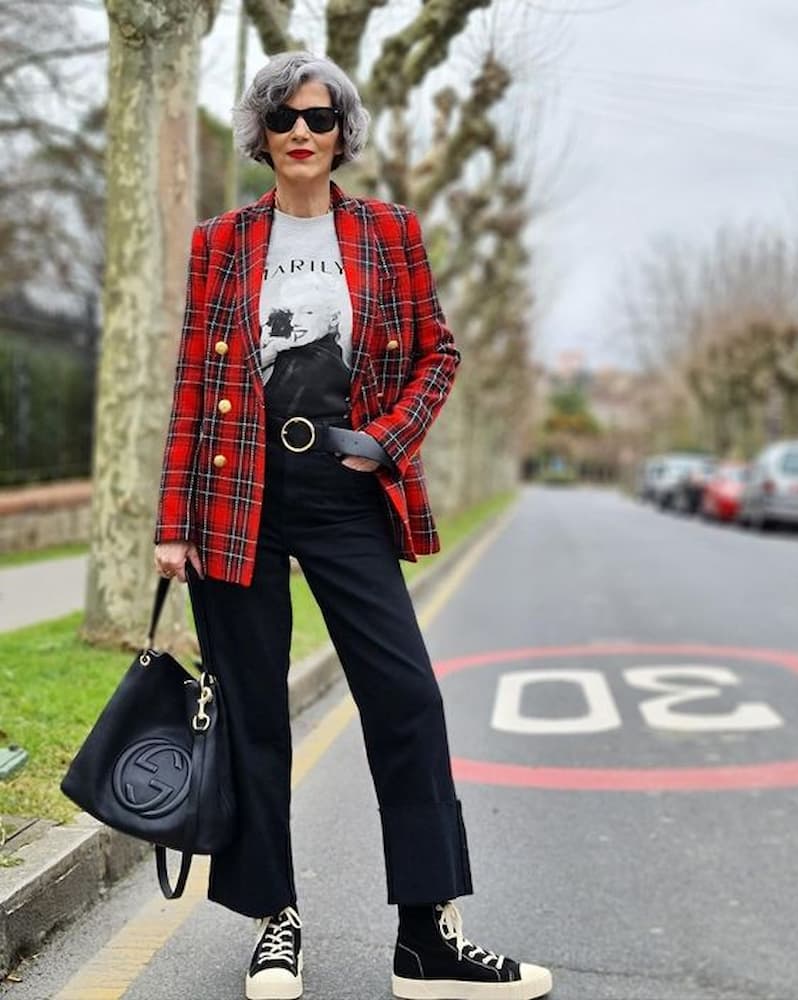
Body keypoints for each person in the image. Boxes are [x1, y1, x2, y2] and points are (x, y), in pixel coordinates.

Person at [153, 50, 552, 1000]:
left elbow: (437, 352)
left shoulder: (388, 232)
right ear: (261, 132)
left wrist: (382, 439)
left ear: (342, 133)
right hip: (236, 492)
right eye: (286, 117)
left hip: (344, 491)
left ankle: (427, 937)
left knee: (407, 698)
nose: (303, 131)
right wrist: (173, 522)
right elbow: (193, 385)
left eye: (321, 117)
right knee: (254, 715)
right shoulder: (221, 242)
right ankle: (273, 925)